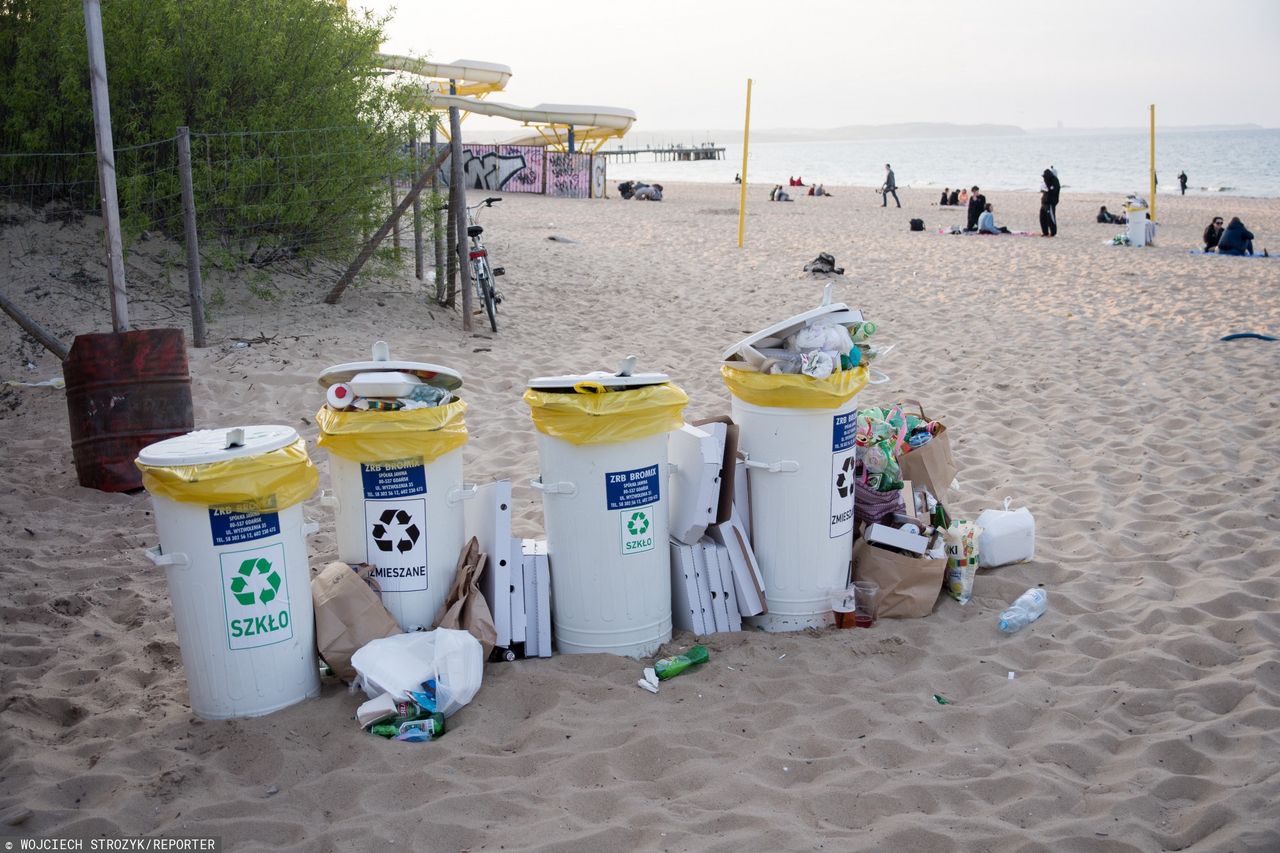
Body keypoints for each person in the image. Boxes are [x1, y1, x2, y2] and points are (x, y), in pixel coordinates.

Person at [1039, 168, 1060, 236]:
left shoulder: (1055, 181)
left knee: (1051, 218)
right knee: (1042, 217)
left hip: (1050, 203)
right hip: (1044, 201)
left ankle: (1053, 233)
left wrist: (1048, 188)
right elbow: (1042, 189)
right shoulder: (1046, 180)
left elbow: (1053, 190)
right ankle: (1045, 232)